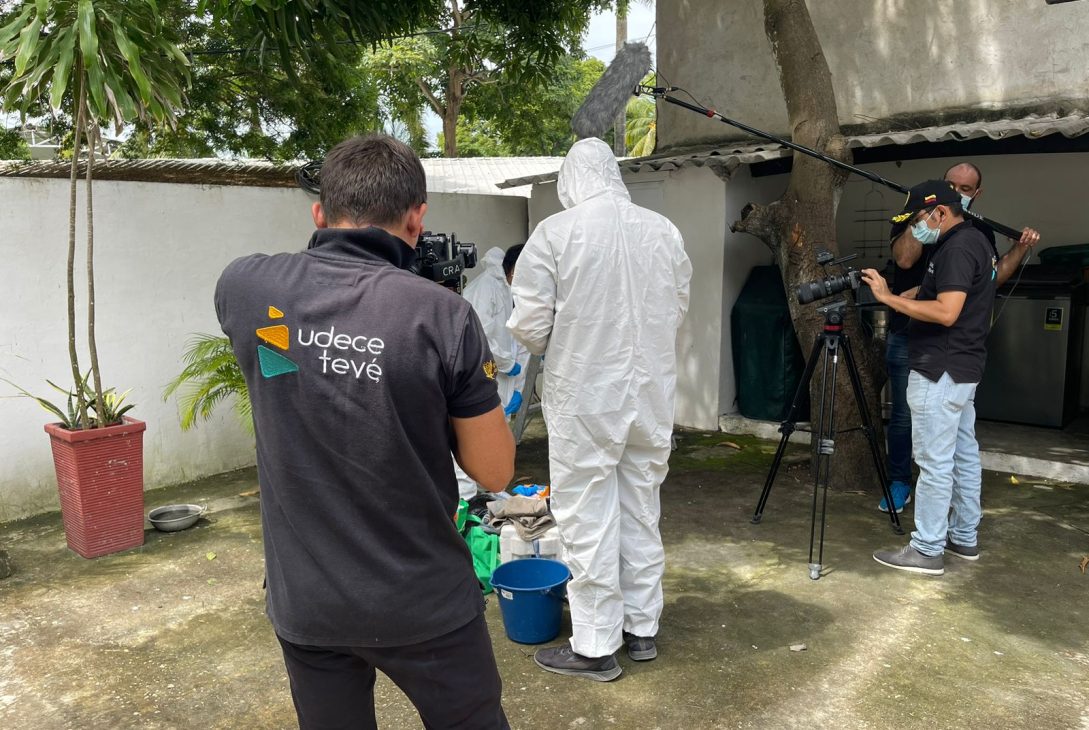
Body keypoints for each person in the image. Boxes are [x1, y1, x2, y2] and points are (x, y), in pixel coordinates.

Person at [214, 134, 515, 728]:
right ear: (417, 217)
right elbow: (495, 471)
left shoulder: (246, 288)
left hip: (310, 602)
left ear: (319, 214)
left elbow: (305, 336)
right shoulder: (441, 314)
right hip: (423, 602)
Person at [507, 137, 692, 681]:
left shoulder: (555, 233)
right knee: (641, 510)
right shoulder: (664, 231)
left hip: (586, 399)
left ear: (571, 180)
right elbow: (676, 307)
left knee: (588, 517)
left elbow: (532, 327)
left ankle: (593, 645)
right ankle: (641, 630)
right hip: (649, 398)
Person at [879, 161, 1040, 514]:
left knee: (939, 452)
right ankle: (902, 483)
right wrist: (922, 223)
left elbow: (985, 283)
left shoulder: (977, 234)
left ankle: (929, 540)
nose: (957, 192)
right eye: (950, 185)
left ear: (976, 194)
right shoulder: (920, 218)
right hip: (910, 335)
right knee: (907, 418)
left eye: (965, 189)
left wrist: (1020, 249)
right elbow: (905, 261)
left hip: (947, 350)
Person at [863, 180, 997, 576]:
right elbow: (944, 288)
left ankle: (926, 548)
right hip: (963, 367)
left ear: (940, 212)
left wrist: (888, 300)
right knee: (962, 454)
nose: (917, 229)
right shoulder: (974, 241)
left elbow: (947, 310)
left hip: (940, 367)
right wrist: (904, 292)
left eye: (920, 219)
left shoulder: (955, 247)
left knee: (934, 462)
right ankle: (963, 536)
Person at [455, 244, 528, 500]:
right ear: (514, 268)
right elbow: (482, 335)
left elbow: (514, 336)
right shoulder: (488, 288)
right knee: (474, 433)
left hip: (500, 374)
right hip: (484, 371)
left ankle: (487, 493)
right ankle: (466, 498)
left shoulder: (507, 288)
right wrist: (508, 364)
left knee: (494, 439)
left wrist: (517, 384)